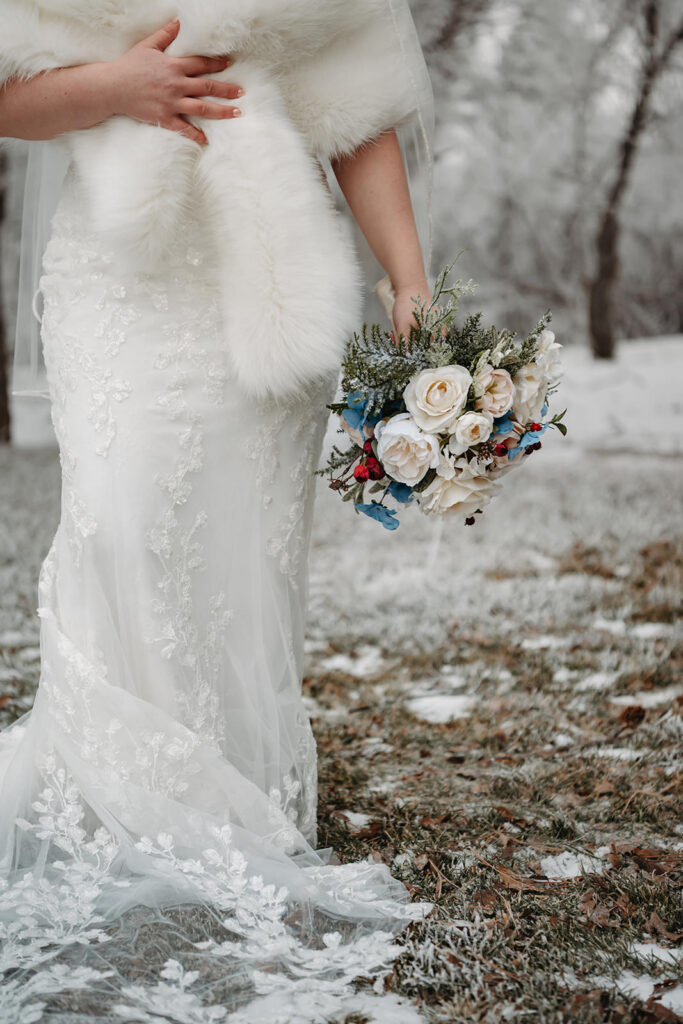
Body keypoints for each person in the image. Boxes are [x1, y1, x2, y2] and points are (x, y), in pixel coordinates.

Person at [0, 6, 435, 1020]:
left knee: (240, 544)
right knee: (119, 519)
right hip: (117, 273)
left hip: (267, 283)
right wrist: (116, 89)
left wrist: (406, 279)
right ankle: (117, 786)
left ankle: (228, 789)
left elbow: (356, 114)